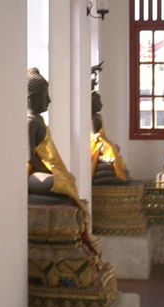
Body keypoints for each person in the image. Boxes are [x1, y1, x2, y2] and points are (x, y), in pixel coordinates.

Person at [27, 67, 80, 206]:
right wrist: (50, 171)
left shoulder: (38, 120)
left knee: (69, 179)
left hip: (42, 170)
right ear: (30, 98)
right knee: (57, 182)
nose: (49, 100)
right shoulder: (29, 121)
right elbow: (29, 156)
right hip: (32, 172)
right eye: (45, 96)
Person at [90, 90, 130, 186]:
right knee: (111, 149)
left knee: (116, 147)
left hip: (102, 140)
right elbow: (93, 134)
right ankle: (119, 173)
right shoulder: (91, 118)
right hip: (95, 143)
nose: (101, 105)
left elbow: (102, 134)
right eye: (98, 102)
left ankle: (120, 172)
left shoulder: (98, 116)